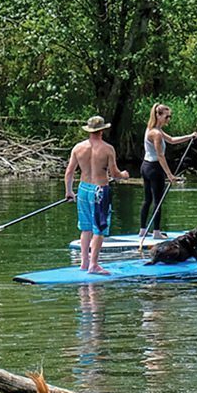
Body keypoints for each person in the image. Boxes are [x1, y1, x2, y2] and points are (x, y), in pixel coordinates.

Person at [64, 116, 130, 275]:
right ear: (102, 130)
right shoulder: (108, 149)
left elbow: (69, 172)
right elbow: (114, 174)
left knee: (86, 227)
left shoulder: (78, 148)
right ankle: (93, 264)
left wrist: (69, 191)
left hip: (83, 190)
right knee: (99, 228)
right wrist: (124, 175)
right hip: (99, 190)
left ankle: (84, 262)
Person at [139, 103, 197, 239]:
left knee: (148, 199)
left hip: (145, 166)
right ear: (158, 116)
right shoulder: (156, 134)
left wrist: (189, 136)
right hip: (154, 168)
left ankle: (142, 230)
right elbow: (160, 155)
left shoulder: (152, 129)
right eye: (166, 117)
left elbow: (171, 140)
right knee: (157, 200)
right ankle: (157, 233)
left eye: (169, 117)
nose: (168, 120)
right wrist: (170, 175)